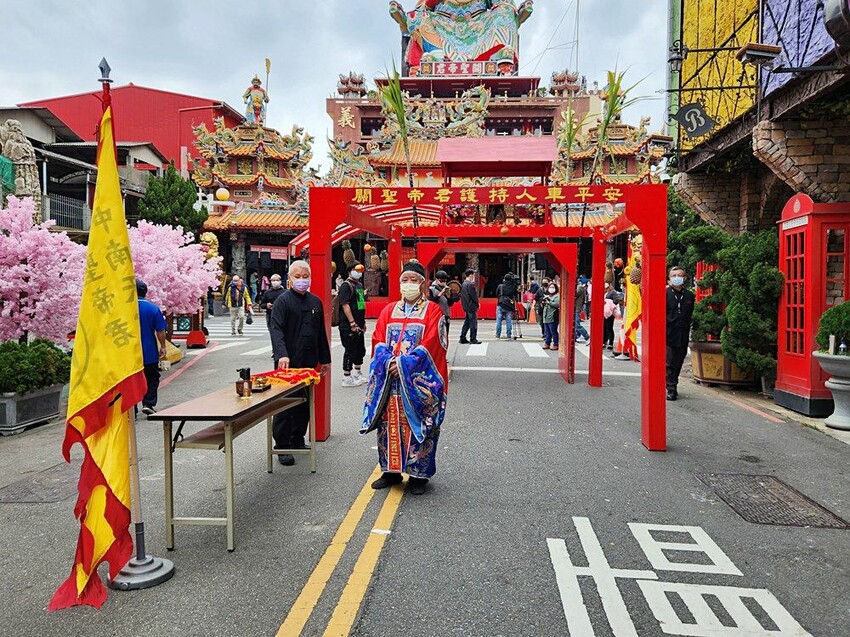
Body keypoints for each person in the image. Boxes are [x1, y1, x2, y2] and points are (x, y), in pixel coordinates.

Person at [361, 261, 448, 496]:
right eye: (405, 280)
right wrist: (389, 362)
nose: (408, 284)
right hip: (390, 381)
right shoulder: (389, 310)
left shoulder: (432, 311)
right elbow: (378, 339)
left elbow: (434, 345)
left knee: (418, 422)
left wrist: (404, 365)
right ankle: (391, 471)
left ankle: (419, 475)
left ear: (423, 284)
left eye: (414, 280)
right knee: (388, 422)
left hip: (417, 382)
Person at [269, 260, 332, 464]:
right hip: (287, 362)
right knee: (285, 404)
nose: (302, 280)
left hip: (308, 362)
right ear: (289, 279)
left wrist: (324, 360)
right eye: (298, 276)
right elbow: (276, 330)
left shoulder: (315, 302)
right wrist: (281, 354)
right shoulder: (282, 301)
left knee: (304, 403)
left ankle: (297, 439)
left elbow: (320, 333)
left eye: (305, 276)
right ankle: (282, 445)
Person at [136, 279, 167, 416]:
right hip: (148, 351)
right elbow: (160, 330)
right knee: (152, 378)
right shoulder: (153, 309)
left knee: (131, 380)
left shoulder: (123, 309)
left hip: (128, 353)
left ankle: (131, 410)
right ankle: (148, 403)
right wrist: (163, 346)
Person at [666, 266, 695, 401]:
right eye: (674, 275)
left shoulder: (689, 296)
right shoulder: (665, 294)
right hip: (668, 334)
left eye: (679, 275)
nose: (677, 278)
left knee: (678, 362)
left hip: (683, 334)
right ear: (669, 279)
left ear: (684, 278)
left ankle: (672, 383)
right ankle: (671, 388)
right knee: (668, 363)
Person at [339, 261, 368, 387]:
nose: (359, 273)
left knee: (360, 349)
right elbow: (345, 305)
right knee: (349, 349)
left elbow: (361, 304)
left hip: (359, 323)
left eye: (360, 270)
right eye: (356, 270)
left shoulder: (359, 285)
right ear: (350, 271)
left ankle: (357, 372)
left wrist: (362, 321)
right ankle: (346, 376)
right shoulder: (346, 285)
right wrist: (352, 322)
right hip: (348, 325)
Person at [459, 268, 481, 344]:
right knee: (473, 323)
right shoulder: (470, 284)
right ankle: (473, 338)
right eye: (473, 275)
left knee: (467, 322)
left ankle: (462, 337)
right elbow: (474, 296)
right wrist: (477, 304)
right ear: (471, 275)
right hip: (471, 306)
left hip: (466, 305)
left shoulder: (463, 284)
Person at [428, 269, 453, 338]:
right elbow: (431, 302)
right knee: (437, 334)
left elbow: (450, 304)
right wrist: (440, 294)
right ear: (436, 280)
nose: (443, 283)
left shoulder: (447, 289)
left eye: (445, 281)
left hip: (446, 314)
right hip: (436, 315)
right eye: (441, 281)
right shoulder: (431, 289)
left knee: (446, 334)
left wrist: (449, 296)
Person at [495, 273, 519, 339]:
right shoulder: (513, 287)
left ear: (504, 279)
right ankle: (509, 334)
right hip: (509, 305)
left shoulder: (500, 286)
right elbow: (516, 294)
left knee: (499, 320)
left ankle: (498, 334)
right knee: (508, 320)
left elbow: (497, 293)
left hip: (501, 304)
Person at [542, 282, 560, 350]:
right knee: (547, 332)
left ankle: (556, 344)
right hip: (546, 316)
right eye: (550, 287)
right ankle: (547, 343)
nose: (551, 289)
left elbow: (557, 304)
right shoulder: (548, 296)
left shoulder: (557, 296)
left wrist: (549, 302)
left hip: (553, 316)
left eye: (553, 287)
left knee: (553, 331)